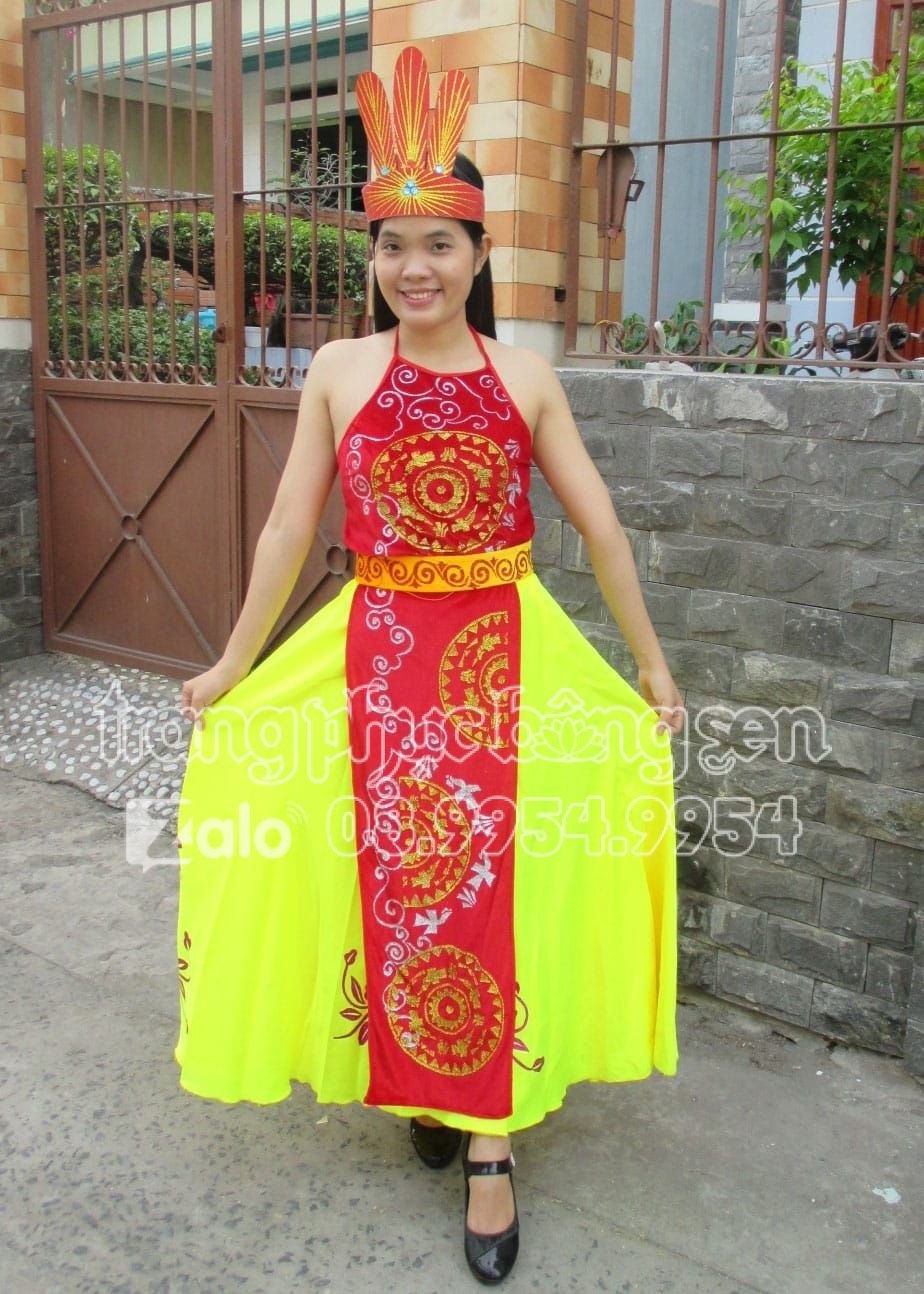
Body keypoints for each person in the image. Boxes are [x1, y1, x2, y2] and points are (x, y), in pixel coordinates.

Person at [176, 46, 684, 1286]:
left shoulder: (527, 377)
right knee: (382, 879)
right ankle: (418, 1080)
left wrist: (654, 672)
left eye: (440, 245)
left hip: (508, 660)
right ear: (373, 257)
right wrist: (235, 664)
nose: (417, 267)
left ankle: (490, 1140)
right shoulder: (338, 372)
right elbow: (288, 527)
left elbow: (601, 529)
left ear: (478, 253)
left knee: (497, 891)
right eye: (394, 245)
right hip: (376, 658)